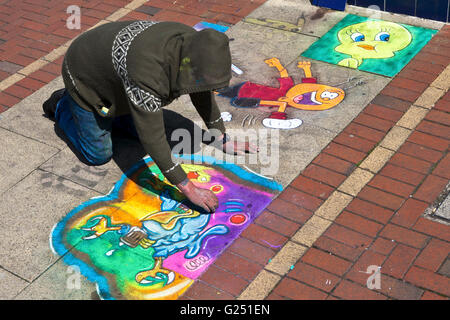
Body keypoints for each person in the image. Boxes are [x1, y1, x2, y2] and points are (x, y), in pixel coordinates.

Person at [43, 20, 255, 213]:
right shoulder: (149, 72)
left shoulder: (195, 45)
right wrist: (187, 187)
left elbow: (201, 90)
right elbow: (152, 138)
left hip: (114, 69)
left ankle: (112, 110)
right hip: (83, 72)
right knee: (98, 154)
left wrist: (221, 138)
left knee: (140, 119)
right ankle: (64, 103)